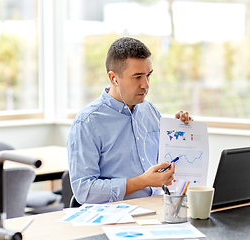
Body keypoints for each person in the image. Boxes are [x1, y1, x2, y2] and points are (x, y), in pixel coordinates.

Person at [67, 37, 193, 205]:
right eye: (137, 77)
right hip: (114, 217)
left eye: (148, 75)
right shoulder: (87, 123)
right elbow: (84, 191)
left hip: (156, 207)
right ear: (114, 78)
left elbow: (166, 162)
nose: (146, 85)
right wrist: (142, 181)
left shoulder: (150, 111)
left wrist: (180, 131)